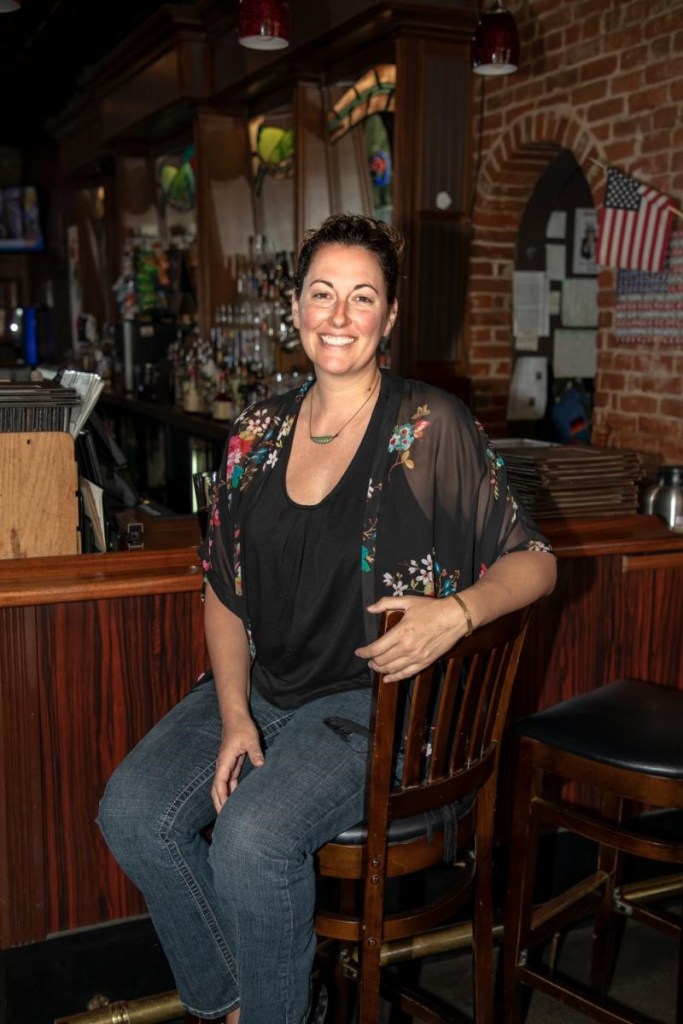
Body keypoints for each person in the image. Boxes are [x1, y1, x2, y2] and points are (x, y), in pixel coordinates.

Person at [98, 213, 557, 1024]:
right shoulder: (257, 431)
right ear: (296, 307)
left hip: (372, 699)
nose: (338, 316)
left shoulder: (427, 426)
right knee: (132, 811)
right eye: (322, 293)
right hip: (264, 687)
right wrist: (236, 715)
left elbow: (534, 561)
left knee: (250, 837)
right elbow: (222, 587)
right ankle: (250, 1006)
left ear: (387, 317)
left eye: (361, 297)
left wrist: (457, 611)